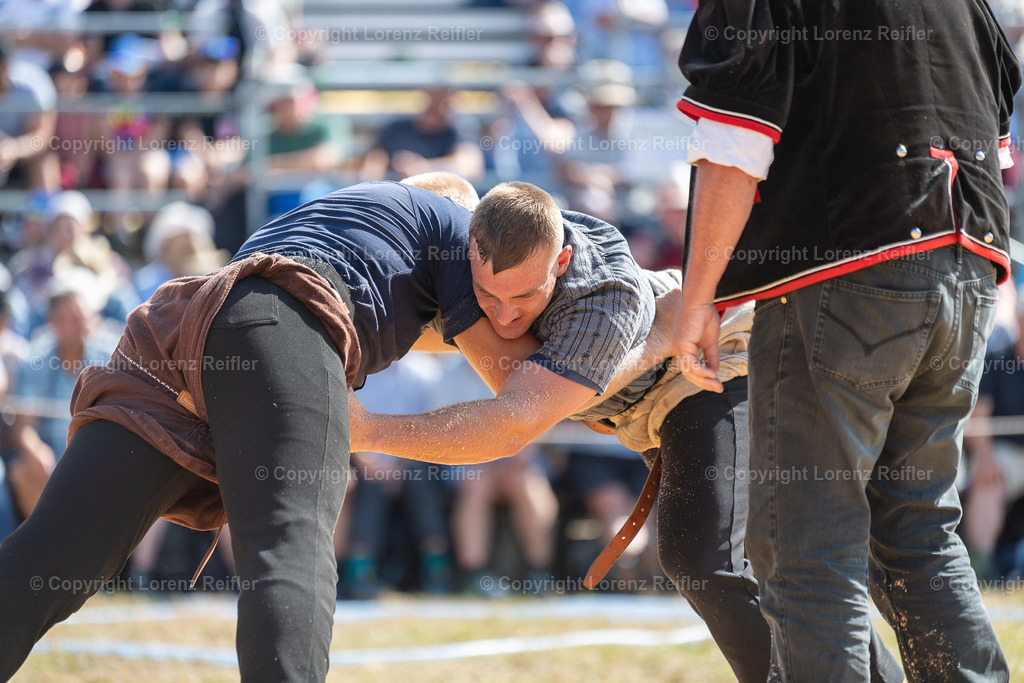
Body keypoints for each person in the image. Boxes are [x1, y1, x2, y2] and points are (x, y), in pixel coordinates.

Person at [0, 172, 664, 681]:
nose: (498, 311)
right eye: (488, 295)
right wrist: (652, 343)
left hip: (175, 330)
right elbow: (519, 410)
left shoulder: (352, 214)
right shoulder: (459, 239)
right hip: (281, 322)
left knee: (54, 555)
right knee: (287, 553)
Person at [349, 181, 903, 681]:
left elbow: (519, 418)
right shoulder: (478, 253)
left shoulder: (605, 289)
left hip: (713, 364)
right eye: (489, 297)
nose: (505, 316)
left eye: (524, 298)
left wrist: (367, 429)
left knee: (705, 560)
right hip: (660, 397)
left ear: (561, 261)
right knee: (764, 562)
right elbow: (442, 193)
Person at [671, 2, 1018, 679]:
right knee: (918, 531)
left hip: (848, 276)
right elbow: (995, 142)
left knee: (806, 542)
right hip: (971, 274)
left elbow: (734, 140)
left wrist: (700, 296)